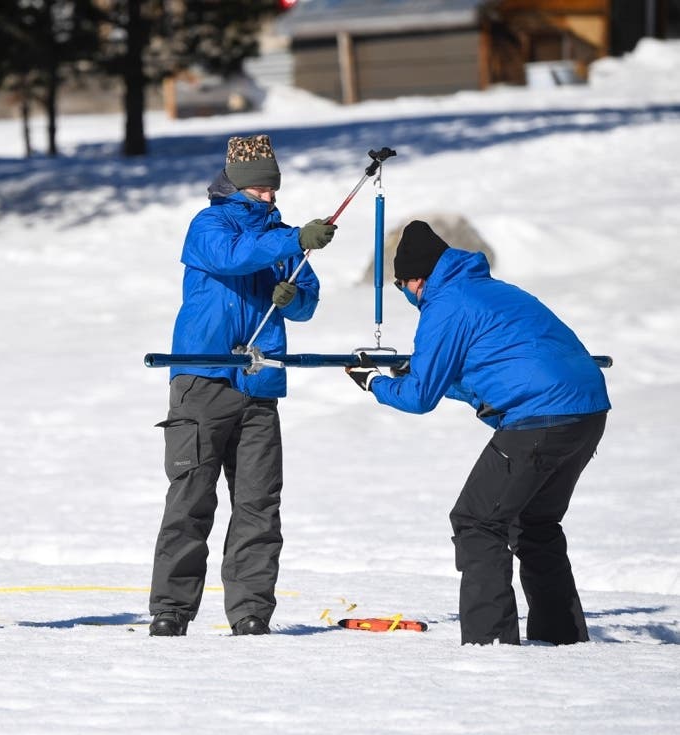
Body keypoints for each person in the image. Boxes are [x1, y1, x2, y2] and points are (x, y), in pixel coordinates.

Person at [345, 220, 610, 645]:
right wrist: (421, 372)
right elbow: (488, 372)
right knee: (535, 523)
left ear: (415, 279)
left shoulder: (445, 303)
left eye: (402, 288)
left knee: (477, 522)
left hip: (538, 418)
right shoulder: (494, 291)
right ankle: (562, 639)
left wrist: (373, 381)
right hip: (586, 412)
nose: (408, 296)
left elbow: (418, 399)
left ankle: (490, 646)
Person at [148, 134, 336, 637]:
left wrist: (291, 294)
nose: (269, 197)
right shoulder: (208, 224)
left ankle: (251, 611)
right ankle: (171, 609)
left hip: (260, 382)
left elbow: (307, 304)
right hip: (202, 379)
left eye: (272, 189)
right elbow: (234, 257)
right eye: (259, 190)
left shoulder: (282, 235)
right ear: (235, 184)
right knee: (190, 500)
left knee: (258, 505)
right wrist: (293, 241)